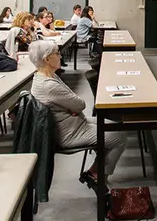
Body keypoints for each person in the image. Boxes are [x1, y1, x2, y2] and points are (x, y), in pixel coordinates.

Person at [28, 40, 125, 190]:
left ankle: (95, 171)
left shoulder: (44, 76)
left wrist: (70, 108)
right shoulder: (49, 85)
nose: (60, 56)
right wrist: (72, 108)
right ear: (47, 59)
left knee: (114, 127)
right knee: (119, 138)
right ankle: (97, 176)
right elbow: (80, 104)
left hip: (73, 122)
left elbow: (74, 102)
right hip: (70, 132)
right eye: (57, 53)